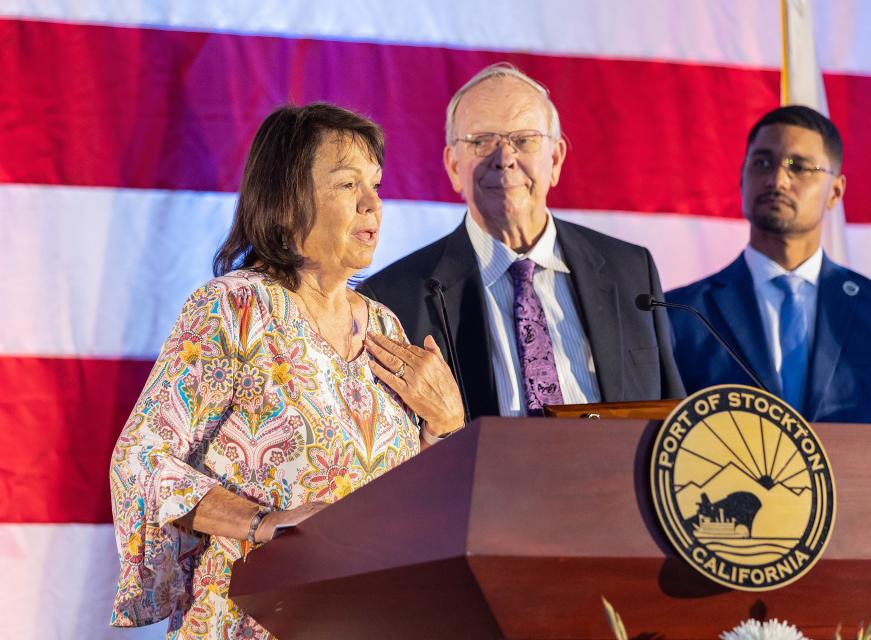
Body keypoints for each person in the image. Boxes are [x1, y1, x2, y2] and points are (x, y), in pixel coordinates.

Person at [109, 103, 464, 639]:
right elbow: (141, 462)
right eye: (349, 185)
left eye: (375, 185)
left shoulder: (387, 329)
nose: (374, 204)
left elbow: (418, 507)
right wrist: (263, 523)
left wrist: (446, 427)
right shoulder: (233, 310)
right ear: (288, 199)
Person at [359, 63, 684, 418]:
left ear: (555, 159)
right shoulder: (392, 300)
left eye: (524, 140)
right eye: (482, 141)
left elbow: (671, 420)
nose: (505, 159)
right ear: (454, 167)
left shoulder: (631, 271)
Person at [666, 105, 871, 424]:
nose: (777, 180)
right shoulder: (679, 314)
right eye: (763, 162)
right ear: (742, 179)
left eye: (799, 167)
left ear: (835, 192)